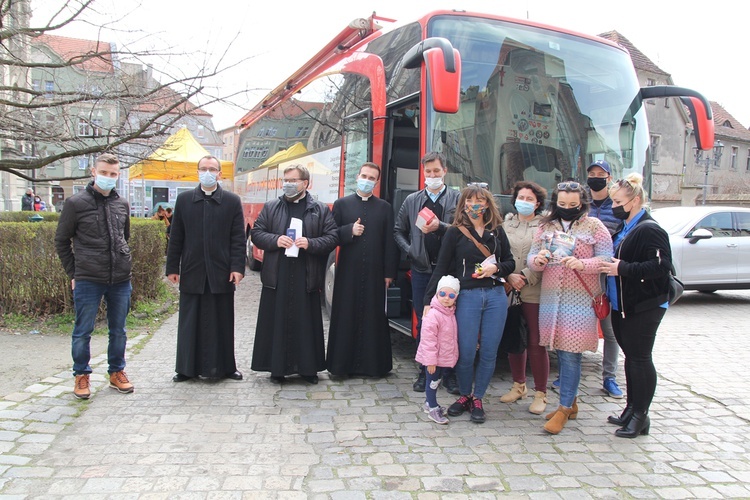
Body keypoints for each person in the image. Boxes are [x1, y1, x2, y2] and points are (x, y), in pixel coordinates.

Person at [528, 181, 613, 434]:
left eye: (573, 205)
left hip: (580, 302)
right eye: (562, 204)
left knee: (571, 354)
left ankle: (564, 407)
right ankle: (571, 403)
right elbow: (532, 259)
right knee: (559, 351)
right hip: (552, 298)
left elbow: (607, 258)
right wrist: (539, 260)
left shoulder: (594, 226)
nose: (567, 209)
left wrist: (583, 263)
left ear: (582, 203)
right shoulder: (545, 225)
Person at [426, 184, 515, 424]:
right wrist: (428, 300)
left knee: (488, 352)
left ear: (487, 204)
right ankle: (465, 395)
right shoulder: (455, 232)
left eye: (479, 201)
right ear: (463, 205)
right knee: (465, 351)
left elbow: (510, 262)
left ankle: (479, 398)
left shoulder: (497, 231)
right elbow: (442, 267)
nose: (474, 205)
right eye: (469, 201)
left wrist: (496, 267)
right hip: (467, 296)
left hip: (495, 295)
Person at [598, 173, 672, 438]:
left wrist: (622, 268)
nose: (614, 206)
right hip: (623, 304)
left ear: (636, 200)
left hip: (644, 305)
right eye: (613, 201)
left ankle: (641, 415)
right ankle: (631, 409)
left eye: (618, 201)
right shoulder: (627, 226)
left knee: (640, 359)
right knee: (631, 359)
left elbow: (662, 267)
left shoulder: (649, 228)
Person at [54, 153, 134, 399]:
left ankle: (116, 372)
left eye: (113, 174)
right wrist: (73, 272)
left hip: (120, 278)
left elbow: (124, 237)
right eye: (104, 173)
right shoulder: (75, 203)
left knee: (118, 330)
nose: (108, 177)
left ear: (117, 174)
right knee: (83, 330)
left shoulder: (122, 204)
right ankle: (81, 375)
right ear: (93, 172)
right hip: (88, 278)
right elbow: (61, 240)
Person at [250, 165, 338, 384]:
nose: (287, 184)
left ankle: (308, 369)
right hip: (277, 273)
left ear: (305, 183)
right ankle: (277, 369)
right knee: (277, 321)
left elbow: (332, 237)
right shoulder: (272, 207)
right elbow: (257, 233)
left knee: (305, 322)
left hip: (305, 273)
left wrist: (310, 243)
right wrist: (276, 240)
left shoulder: (319, 209)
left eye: (293, 180)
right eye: (285, 180)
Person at [166, 155, 245, 383]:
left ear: (220, 173)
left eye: (212, 169)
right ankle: (186, 368)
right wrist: (172, 266)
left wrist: (237, 267)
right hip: (193, 270)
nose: (208, 172)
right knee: (190, 322)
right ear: (197, 171)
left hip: (221, 271)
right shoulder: (184, 200)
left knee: (223, 320)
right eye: (204, 168)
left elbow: (238, 238)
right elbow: (176, 237)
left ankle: (226, 367)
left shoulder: (231, 201)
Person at [394, 152, 461, 394]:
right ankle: (425, 371)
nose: (432, 175)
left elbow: (463, 229)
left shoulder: (457, 198)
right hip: (422, 270)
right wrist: (410, 250)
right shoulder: (412, 200)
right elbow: (397, 230)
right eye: (428, 172)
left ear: (445, 171)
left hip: (449, 272)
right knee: (425, 322)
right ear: (424, 173)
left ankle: (450, 373)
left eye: (436, 171)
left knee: (452, 324)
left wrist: (441, 227)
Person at [326, 162, 399, 378]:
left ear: (376, 182)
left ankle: (373, 366)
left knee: (374, 317)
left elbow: (390, 242)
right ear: (357, 176)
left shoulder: (384, 207)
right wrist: (349, 230)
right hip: (348, 272)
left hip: (376, 273)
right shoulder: (342, 204)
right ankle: (341, 366)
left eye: (371, 178)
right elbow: (329, 236)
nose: (367, 180)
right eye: (364, 175)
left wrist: (389, 273)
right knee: (345, 315)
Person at [499, 181, 549, 415]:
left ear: (537, 203)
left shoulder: (546, 227)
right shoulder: (506, 224)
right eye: (521, 197)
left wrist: (525, 277)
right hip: (509, 288)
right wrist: (508, 277)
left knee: (535, 342)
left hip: (534, 290)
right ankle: (519, 385)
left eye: (530, 199)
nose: (525, 202)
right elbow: (497, 253)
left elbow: (547, 257)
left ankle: (541, 393)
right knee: (513, 337)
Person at [586, 160, 623, 399]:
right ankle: (569, 372)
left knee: (610, 331)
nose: (596, 178)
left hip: (606, 276)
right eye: (592, 174)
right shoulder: (580, 204)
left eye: (601, 174)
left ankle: (609, 377)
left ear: (609, 178)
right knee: (578, 326)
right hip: (579, 275)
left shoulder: (617, 207)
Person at [416, 275, 460, 425]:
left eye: (451, 295)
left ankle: (429, 403)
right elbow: (428, 341)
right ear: (436, 294)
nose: (446, 298)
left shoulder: (450, 313)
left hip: (442, 357)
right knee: (432, 382)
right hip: (433, 359)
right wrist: (430, 361)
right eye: (442, 294)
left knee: (437, 380)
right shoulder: (433, 315)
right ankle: (432, 406)